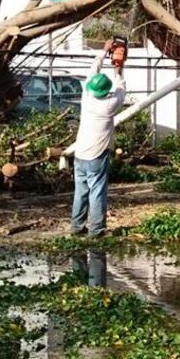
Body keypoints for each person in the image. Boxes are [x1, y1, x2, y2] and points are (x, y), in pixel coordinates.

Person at [70, 38, 127, 238]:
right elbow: (121, 87)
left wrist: (104, 51)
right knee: (97, 191)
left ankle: (77, 227)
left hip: (80, 154)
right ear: (105, 90)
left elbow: (92, 70)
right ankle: (96, 230)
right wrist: (118, 67)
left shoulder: (86, 97)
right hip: (96, 155)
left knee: (81, 191)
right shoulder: (109, 105)